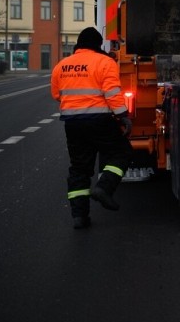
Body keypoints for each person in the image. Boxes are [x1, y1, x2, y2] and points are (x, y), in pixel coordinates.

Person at [51, 27, 133, 229]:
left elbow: (56, 94)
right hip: (99, 120)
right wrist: (123, 117)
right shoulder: (105, 62)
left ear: (79, 45)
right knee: (121, 152)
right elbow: (112, 93)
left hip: (72, 124)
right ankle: (104, 188)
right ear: (97, 45)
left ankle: (79, 217)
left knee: (79, 167)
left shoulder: (62, 65)